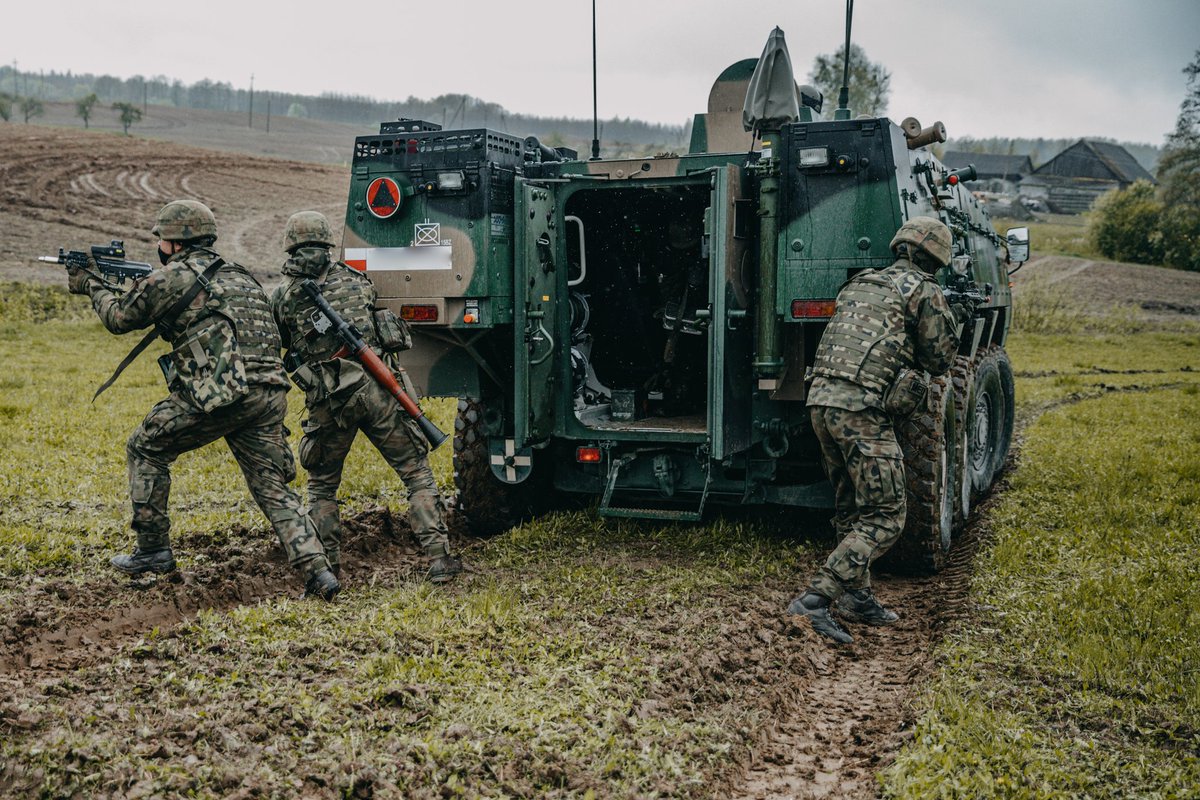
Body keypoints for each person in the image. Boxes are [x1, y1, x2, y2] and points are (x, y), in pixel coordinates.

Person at [66, 199, 340, 600]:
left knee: (145, 447)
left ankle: (153, 550)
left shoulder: (174, 276)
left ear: (175, 242)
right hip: (269, 393)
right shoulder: (241, 277)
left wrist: (90, 284)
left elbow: (119, 319)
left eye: (162, 239)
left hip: (224, 393)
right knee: (273, 489)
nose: (160, 246)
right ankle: (319, 572)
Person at [787, 216, 968, 644]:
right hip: (861, 410)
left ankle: (859, 597)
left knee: (851, 506)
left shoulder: (861, 282)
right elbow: (940, 361)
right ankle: (816, 599)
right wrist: (954, 318)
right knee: (887, 514)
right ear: (936, 258)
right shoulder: (924, 290)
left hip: (821, 402)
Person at [269, 211, 462, 584]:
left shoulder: (284, 298)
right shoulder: (357, 282)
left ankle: (330, 569)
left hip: (330, 402)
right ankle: (439, 560)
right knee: (416, 474)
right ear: (328, 243)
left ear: (290, 246)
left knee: (323, 486)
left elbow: (282, 344)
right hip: (379, 390)